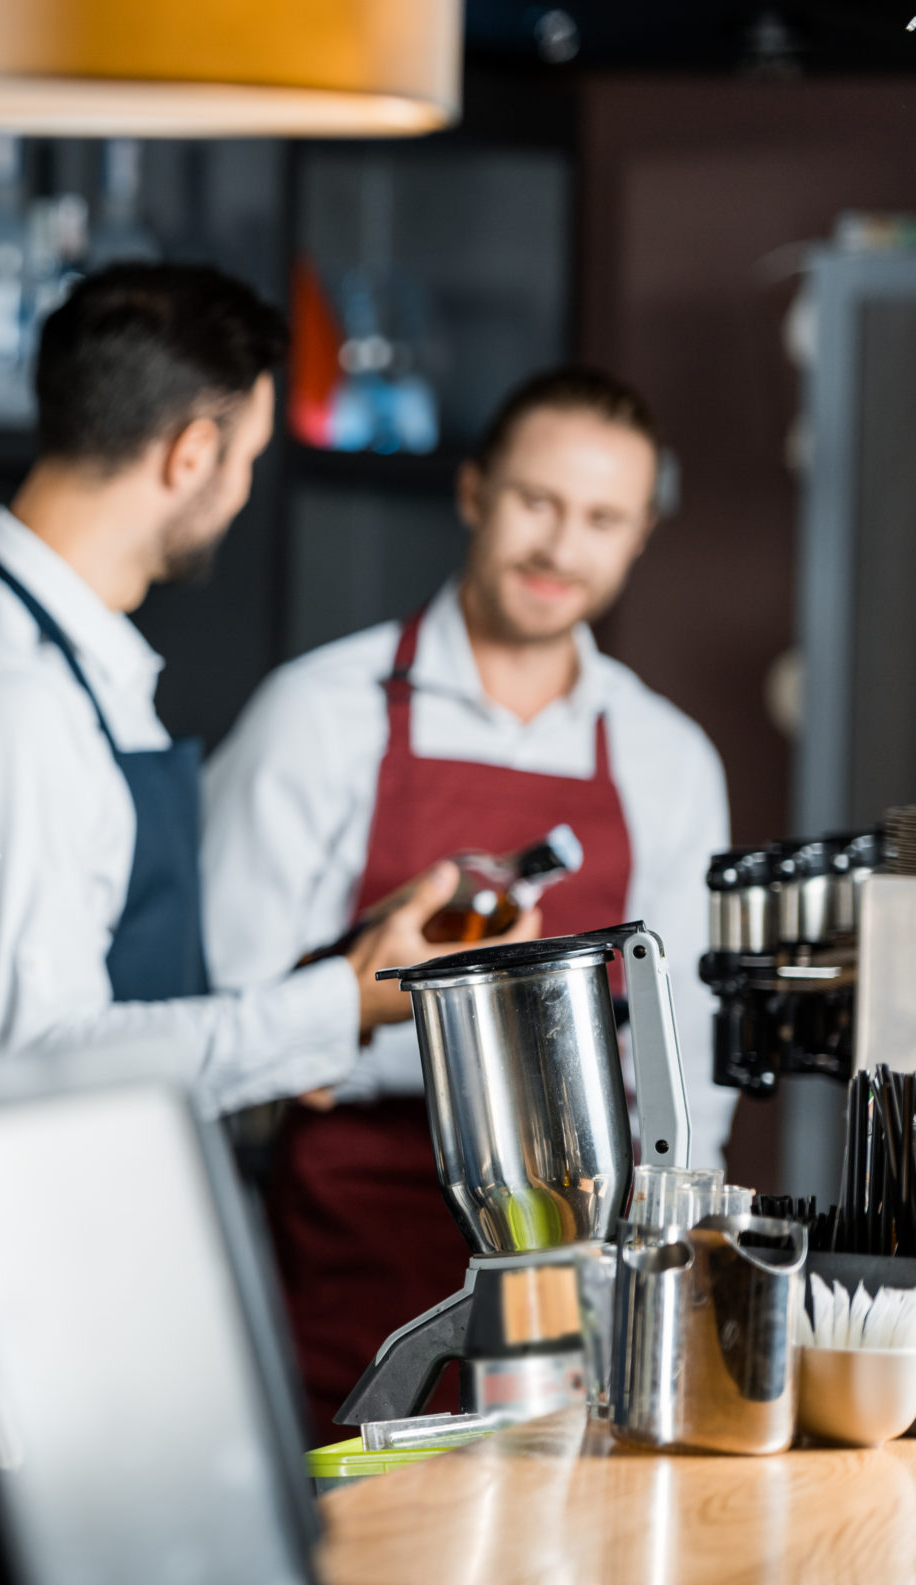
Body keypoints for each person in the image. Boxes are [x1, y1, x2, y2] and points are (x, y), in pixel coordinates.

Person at [203, 364, 734, 1434]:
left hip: (579, 1256)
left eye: (600, 517)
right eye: (536, 502)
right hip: (344, 1230)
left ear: (638, 537)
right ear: (473, 493)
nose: (559, 546)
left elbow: (687, 1054)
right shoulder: (315, 716)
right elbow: (229, 1018)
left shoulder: (667, 758)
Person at [0, 264, 492, 1113]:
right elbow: (43, 1061)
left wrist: (340, 976)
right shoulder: (20, 695)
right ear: (191, 454)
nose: (240, 490)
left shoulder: (75, 665)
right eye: (245, 459)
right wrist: (344, 1001)